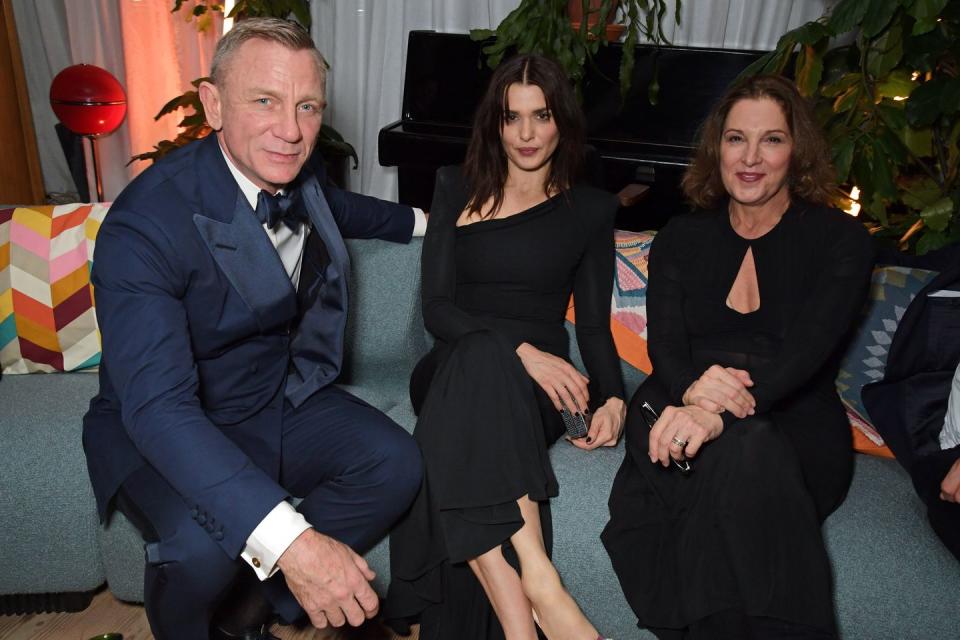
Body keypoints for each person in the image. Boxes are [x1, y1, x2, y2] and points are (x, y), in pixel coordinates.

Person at [82, 18, 424, 640]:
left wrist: (439, 221)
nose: (291, 131)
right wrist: (294, 544)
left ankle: (253, 611)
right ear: (213, 104)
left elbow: (346, 209)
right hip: (163, 422)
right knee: (201, 549)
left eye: (307, 106)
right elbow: (159, 409)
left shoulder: (299, 173)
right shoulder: (143, 227)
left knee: (395, 462)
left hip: (271, 398)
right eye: (264, 101)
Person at [601, 74, 876, 640]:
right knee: (735, 452)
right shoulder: (680, 235)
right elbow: (666, 349)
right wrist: (694, 395)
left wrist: (717, 414)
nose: (750, 158)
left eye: (771, 140)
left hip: (793, 417)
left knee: (748, 448)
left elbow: (807, 353)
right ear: (716, 148)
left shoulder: (841, 240)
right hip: (676, 397)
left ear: (797, 151)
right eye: (735, 139)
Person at [384, 54, 625, 640]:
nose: (525, 133)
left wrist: (614, 396)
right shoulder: (454, 185)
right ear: (494, 124)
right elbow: (438, 308)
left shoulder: (590, 210)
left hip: (533, 390)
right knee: (481, 358)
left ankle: (516, 623)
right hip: (454, 362)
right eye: (511, 117)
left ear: (560, 121)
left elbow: (591, 327)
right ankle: (540, 579)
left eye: (539, 116)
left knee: (469, 414)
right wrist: (520, 348)